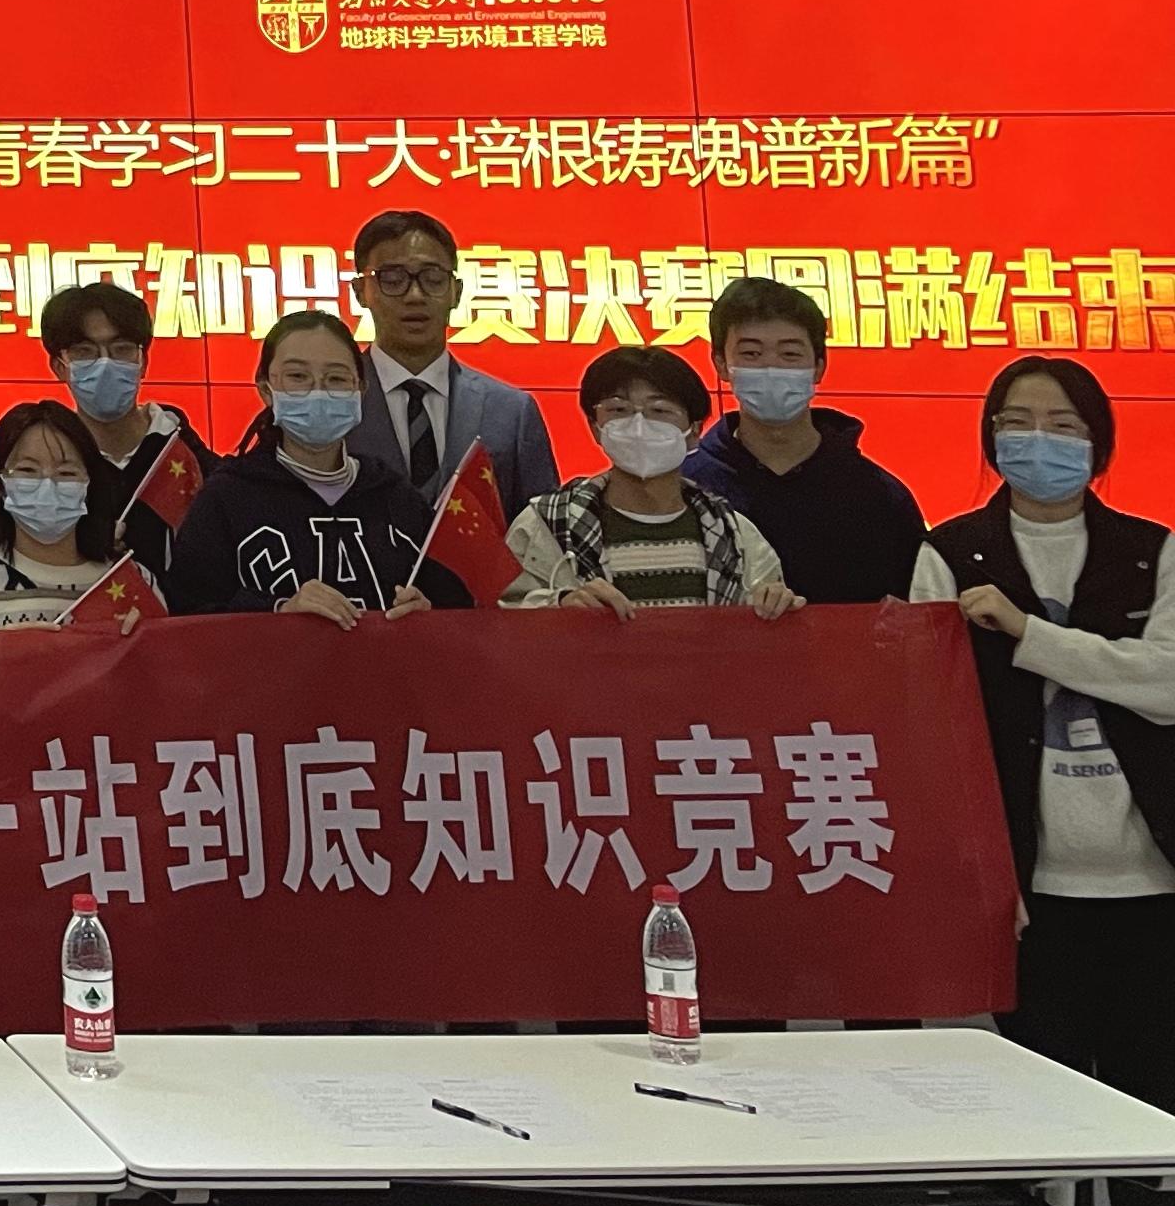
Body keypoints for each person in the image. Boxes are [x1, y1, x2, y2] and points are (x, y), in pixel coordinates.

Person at [909, 357, 1175, 1108]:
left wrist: (1029, 633)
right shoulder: (950, 553)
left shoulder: (1154, 549)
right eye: (1017, 423)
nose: (1039, 441)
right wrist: (980, 871)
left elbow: (1167, 685)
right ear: (991, 437)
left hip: (1153, 873)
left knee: (1152, 1091)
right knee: (1043, 1093)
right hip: (1030, 884)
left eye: (1063, 425)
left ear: (1098, 443)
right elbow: (934, 723)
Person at [167, 309, 466, 622]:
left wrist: (424, 612)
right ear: (266, 389)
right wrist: (280, 611)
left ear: (361, 390)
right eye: (297, 377)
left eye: (336, 379)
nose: (319, 392)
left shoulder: (396, 497)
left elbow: (452, 605)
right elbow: (188, 614)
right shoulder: (227, 497)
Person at [683, 275, 927, 606]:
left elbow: (919, 614)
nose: (771, 367)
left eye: (790, 354)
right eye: (751, 353)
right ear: (722, 365)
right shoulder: (688, 487)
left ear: (818, 367)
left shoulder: (880, 496)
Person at [501, 348, 798, 616]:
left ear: (694, 431)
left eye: (660, 411)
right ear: (595, 427)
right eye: (619, 410)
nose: (639, 425)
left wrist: (775, 604)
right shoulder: (545, 525)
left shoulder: (736, 535)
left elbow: (765, 623)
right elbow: (500, 614)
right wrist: (559, 605)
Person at [342, 208, 557, 513]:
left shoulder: (511, 412)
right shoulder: (333, 401)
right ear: (360, 292)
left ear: (456, 292)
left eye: (433, 279)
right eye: (392, 279)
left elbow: (540, 529)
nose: (415, 295)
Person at [0, 403, 124, 630]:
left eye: (66, 473)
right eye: (27, 470)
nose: (47, 487)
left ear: (90, 484)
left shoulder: (127, 581)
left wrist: (143, 630)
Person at [38, 284, 198, 562]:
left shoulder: (187, 456)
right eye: (85, 351)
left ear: (143, 362)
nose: (105, 363)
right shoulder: (43, 467)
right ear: (59, 367)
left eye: (121, 349)